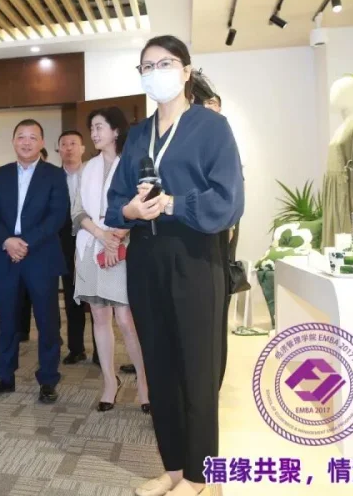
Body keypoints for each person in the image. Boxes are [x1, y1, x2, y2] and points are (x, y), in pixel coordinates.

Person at [106, 36, 243, 496]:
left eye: (164, 63)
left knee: (197, 369)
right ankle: (175, 468)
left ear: (186, 71)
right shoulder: (138, 134)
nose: (155, 72)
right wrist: (129, 211)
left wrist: (172, 203)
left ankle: (204, 476)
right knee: (159, 367)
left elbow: (228, 200)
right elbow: (115, 201)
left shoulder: (211, 127)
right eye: (146, 66)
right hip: (146, 258)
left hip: (196, 255)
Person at [0, 119, 69, 404]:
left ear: (42, 142)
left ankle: (48, 379)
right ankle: (3, 376)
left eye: (32, 137)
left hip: (40, 255)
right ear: (14, 141)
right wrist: (7, 240)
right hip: (6, 255)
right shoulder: (1, 174)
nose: (26, 142)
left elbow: (57, 215)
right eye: (21, 137)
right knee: (7, 319)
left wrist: (25, 242)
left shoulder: (54, 174)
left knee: (47, 321)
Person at [72, 108, 149, 413]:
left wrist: (114, 237)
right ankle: (109, 382)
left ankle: (144, 383)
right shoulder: (87, 167)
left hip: (121, 246)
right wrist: (100, 234)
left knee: (125, 319)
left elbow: (140, 205)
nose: (94, 133)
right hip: (90, 245)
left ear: (116, 131)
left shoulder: (131, 164)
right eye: (91, 128)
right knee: (99, 317)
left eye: (99, 127)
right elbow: (78, 211)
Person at [191, 71, 239, 389]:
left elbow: (226, 192)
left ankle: (209, 389)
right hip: (184, 237)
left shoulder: (216, 133)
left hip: (212, 234)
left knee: (210, 318)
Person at [55, 130, 92, 365]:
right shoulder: (52, 176)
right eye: (64, 144)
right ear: (58, 149)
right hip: (64, 240)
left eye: (73, 143)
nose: (69, 148)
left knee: (97, 296)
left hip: (92, 237)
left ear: (82, 148)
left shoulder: (93, 173)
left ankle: (101, 351)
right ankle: (76, 348)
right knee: (71, 295)